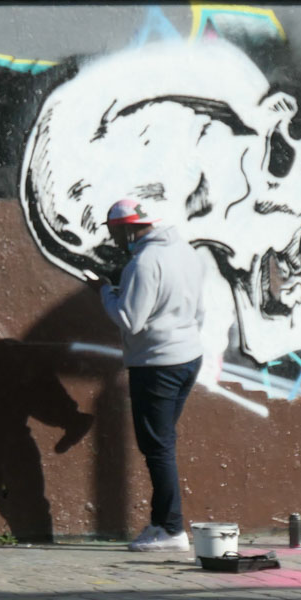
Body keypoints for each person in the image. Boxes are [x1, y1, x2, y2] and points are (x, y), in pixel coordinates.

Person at [89, 198, 206, 552]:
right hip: (188, 356)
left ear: (126, 229)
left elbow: (130, 320)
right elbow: (199, 310)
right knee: (162, 443)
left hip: (156, 364)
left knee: (157, 447)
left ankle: (170, 529)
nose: (114, 240)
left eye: (114, 232)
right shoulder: (185, 251)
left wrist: (105, 292)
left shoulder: (143, 263)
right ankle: (162, 524)